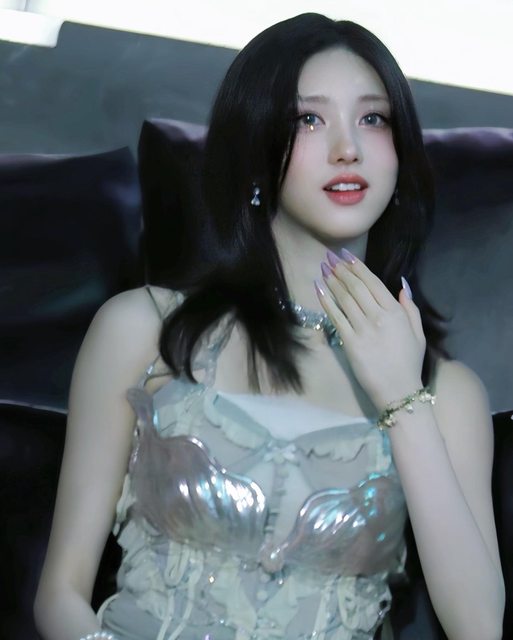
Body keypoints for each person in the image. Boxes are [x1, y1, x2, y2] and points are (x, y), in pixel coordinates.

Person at [34, 12, 505, 640]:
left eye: (373, 119)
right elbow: (60, 593)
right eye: (308, 119)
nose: (347, 147)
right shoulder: (141, 329)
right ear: (256, 149)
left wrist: (403, 399)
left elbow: (479, 626)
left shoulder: (448, 396)